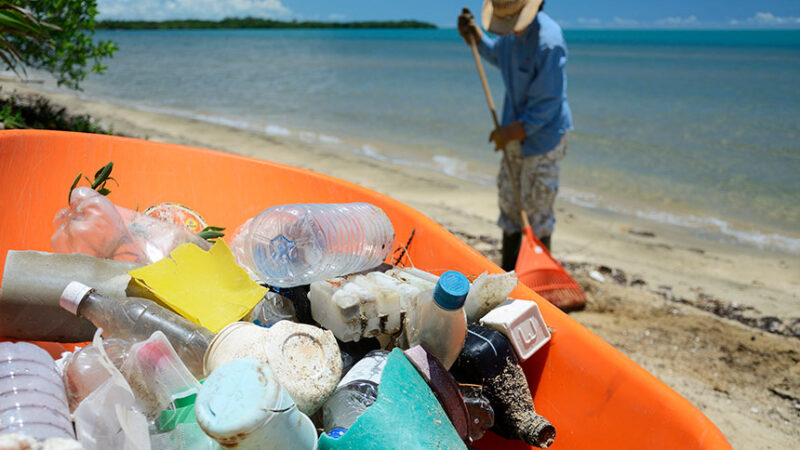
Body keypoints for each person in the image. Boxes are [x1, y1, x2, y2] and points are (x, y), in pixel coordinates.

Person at [458, 0, 573, 271]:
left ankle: (538, 277)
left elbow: (547, 105)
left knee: (537, 209)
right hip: (512, 133)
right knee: (510, 204)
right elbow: (498, 54)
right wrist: (475, 37)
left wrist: (510, 131)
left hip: (543, 139)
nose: (510, 29)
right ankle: (510, 271)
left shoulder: (548, 42)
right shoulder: (510, 37)